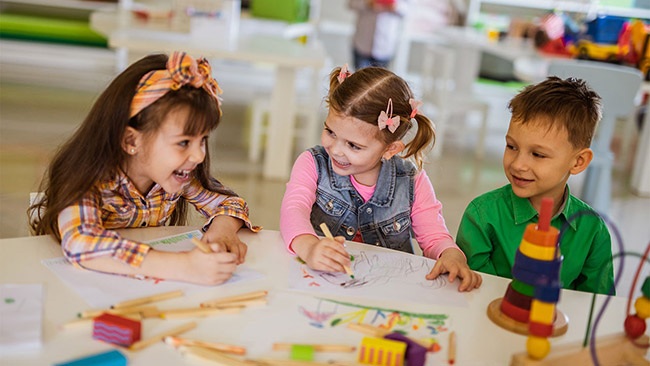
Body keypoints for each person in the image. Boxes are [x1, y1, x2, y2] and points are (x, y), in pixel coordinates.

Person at [28, 52, 259, 286]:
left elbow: (230, 203)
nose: (199, 155)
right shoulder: (86, 177)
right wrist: (184, 266)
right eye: (183, 142)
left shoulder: (178, 176)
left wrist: (223, 231)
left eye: (202, 140)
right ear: (131, 141)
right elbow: (81, 242)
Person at [280, 66, 482, 292]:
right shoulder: (312, 163)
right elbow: (293, 210)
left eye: (353, 145)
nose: (335, 150)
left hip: (387, 291)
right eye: (330, 132)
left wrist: (451, 255)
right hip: (321, 283)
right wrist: (309, 247)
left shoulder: (411, 180)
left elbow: (434, 236)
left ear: (390, 149)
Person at [456, 76, 614, 295]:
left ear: (578, 162)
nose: (518, 164)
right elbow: (472, 292)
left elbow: (594, 304)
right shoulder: (482, 216)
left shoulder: (593, 231)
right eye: (511, 146)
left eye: (538, 154)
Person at [348, 0, 408, 70]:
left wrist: (396, 7)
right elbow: (351, 4)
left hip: (385, 47)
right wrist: (368, 3)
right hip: (362, 43)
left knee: (381, 79)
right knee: (359, 79)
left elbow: (409, 9)